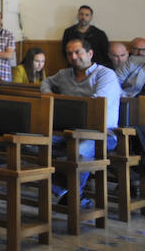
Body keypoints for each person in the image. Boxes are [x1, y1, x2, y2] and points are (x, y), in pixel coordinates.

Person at [41, 36, 120, 206]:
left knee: (80, 150)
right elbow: (46, 81)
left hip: (102, 132)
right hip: (68, 130)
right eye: (70, 54)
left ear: (90, 53)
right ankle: (67, 191)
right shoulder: (64, 74)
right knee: (33, 142)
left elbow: (95, 104)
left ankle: (70, 193)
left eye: (78, 52)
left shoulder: (106, 75)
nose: (74, 57)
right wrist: (48, 94)